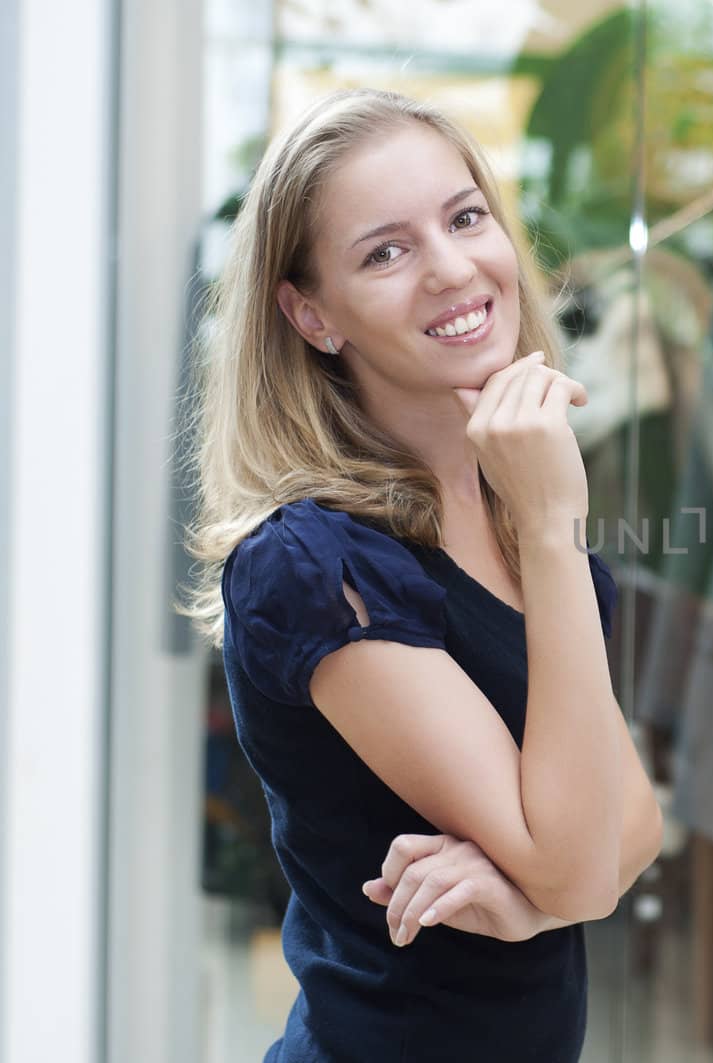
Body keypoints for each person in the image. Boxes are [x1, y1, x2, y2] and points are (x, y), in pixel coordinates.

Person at [177, 88, 663, 1062]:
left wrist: (534, 901)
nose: (451, 269)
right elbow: (583, 868)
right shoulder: (314, 566)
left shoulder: (518, 522)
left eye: (465, 217)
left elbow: (634, 826)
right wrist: (562, 882)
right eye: (385, 252)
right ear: (312, 317)